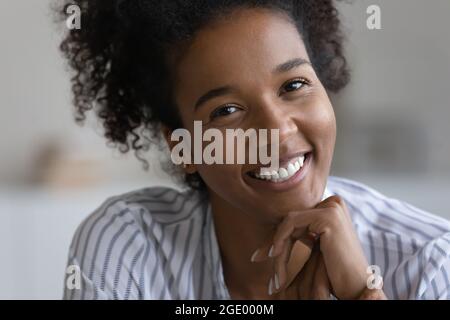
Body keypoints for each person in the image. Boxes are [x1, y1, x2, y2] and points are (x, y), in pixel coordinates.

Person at [58, 0, 450, 300]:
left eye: (294, 85)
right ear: (184, 148)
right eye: (226, 110)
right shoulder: (131, 246)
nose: (277, 128)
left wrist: (364, 294)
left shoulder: (429, 262)